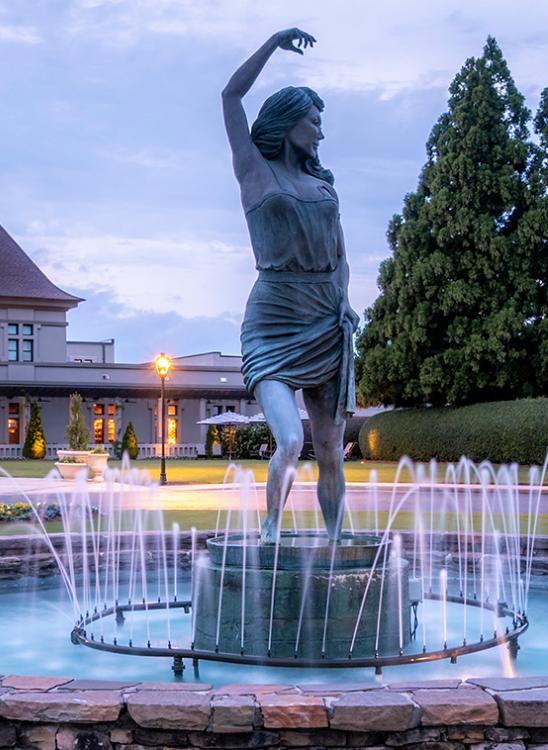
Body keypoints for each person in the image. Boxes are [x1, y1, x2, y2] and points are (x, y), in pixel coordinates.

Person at [221, 28, 356, 543]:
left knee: (329, 452)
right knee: (290, 437)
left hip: (326, 320)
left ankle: (338, 542)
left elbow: (341, 255)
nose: (320, 133)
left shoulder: (324, 185)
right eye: (314, 121)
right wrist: (273, 44)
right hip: (273, 320)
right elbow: (231, 97)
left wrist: (344, 302)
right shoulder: (255, 172)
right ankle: (271, 532)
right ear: (289, 122)